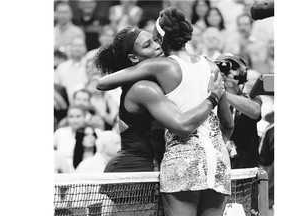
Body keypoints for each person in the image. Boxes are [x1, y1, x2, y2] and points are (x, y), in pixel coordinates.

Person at [96, 7, 234, 216]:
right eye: (148, 44)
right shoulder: (145, 86)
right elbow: (187, 126)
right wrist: (213, 98)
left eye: (154, 40)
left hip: (166, 168)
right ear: (134, 58)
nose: (156, 46)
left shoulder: (159, 72)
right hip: (134, 174)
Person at [216, 54, 262, 169]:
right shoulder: (210, 98)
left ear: (242, 74)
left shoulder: (251, 97)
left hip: (246, 167)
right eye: (226, 70)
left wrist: (221, 93)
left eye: (234, 69)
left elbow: (255, 111)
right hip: (219, 165)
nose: (230, 73)